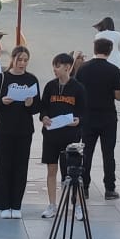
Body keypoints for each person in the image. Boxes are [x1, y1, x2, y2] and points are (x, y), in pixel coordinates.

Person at [0, 47, 40, 219]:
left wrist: (30, 104)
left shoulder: (31, 79)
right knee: (4, 167)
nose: (22, 63)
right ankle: (3, 205)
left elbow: (36, 108)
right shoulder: (1, 78)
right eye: (20, 60)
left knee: (21, 167)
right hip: (4, 130)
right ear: (13, 59)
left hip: (24, 130)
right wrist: (2, 101)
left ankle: (16, 204)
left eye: (25, 60)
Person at [74, 36, 120, 201]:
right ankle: (110, 188)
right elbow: (119, 96)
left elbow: (77, 91)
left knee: (86, 153)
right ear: (109, 51)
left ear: (94, 50)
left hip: (87, 116)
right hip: (108, 116)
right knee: (108, 153)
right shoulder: (113, 70)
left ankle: (85, 187)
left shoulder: (83, 69)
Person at [39, 52, 83, 215]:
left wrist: (79, 120)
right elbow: (43, 107)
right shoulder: (50, 86)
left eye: (57, 66)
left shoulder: (78, 88)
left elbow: (83, 111)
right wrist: (43, 117)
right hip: (51, 135)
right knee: (51, 169)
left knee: (71, 172)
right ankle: (52, 204)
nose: (54, 69)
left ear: (67, 67)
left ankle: (76, 205)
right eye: (54, 66)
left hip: (70, 137)